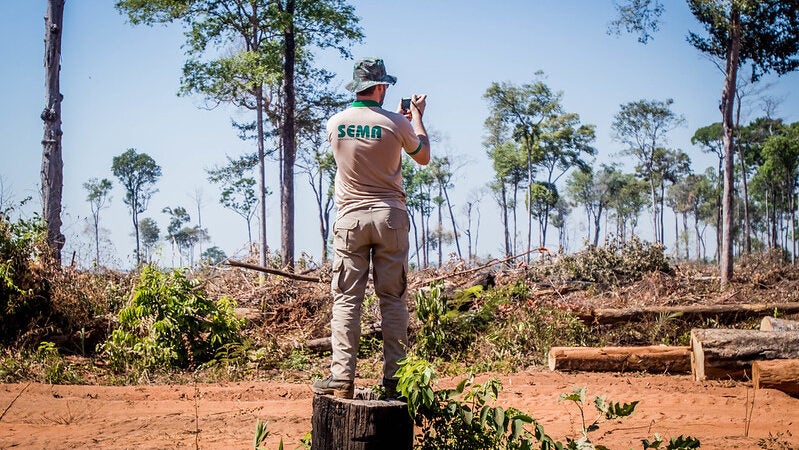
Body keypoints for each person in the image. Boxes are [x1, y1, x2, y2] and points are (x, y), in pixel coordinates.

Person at [312, 57, 430, 399]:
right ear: (380, 87)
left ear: (357, 86)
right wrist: (416, 118)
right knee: (392, 298)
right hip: (390, 217)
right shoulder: (397, 123)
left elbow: (366, 134)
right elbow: (421, 155)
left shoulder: (335, 123)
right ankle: (394, 379)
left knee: (347, 299)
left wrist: (393, 118)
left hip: (350, 219)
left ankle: (341, 379)